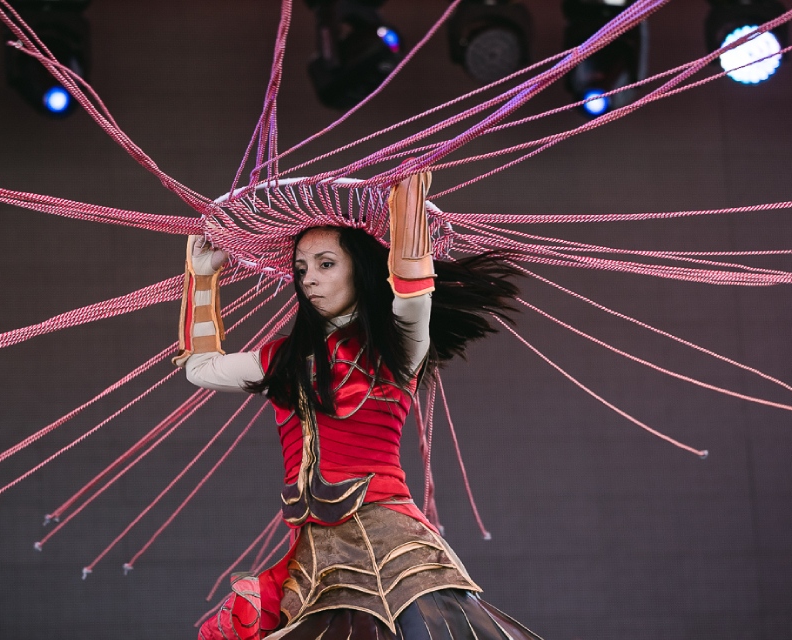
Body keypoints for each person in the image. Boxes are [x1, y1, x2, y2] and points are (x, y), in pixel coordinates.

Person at [175, 172, 540, 640]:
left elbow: (413, 300)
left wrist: (407, 214)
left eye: (325, 264)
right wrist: (203, 279)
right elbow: (201, 368)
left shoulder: (394, 347)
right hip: (314, 556)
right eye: (301, 269)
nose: (309, 279)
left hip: (391, 544)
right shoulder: (282, 360)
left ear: (362, 269)